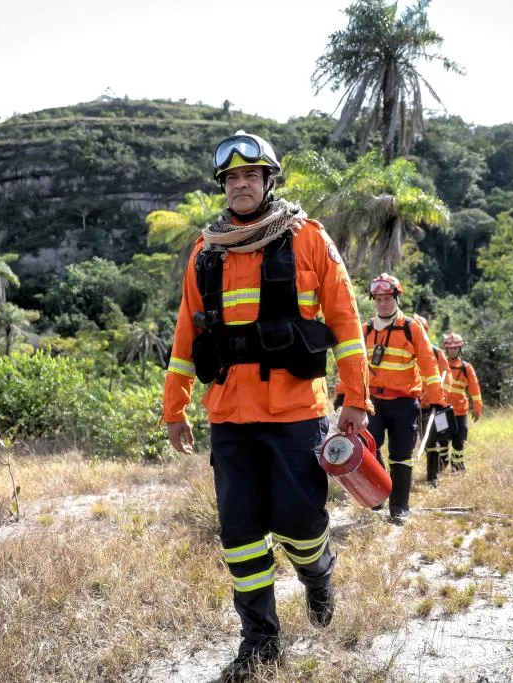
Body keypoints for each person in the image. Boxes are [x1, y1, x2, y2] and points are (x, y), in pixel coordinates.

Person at [162, 131, 371, 682]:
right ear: (223, 187)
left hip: (296, 412)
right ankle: (260, 640)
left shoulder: (308, 239)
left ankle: (318, 572)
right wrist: (173, 406)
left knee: (301, 522)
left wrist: (356, 398)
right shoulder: (206, 253)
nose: (241, 185)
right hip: (229, 417)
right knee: (240, 533)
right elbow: (187, 334)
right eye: (231, 178)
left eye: (251, 176)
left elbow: (347, 325)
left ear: (268, 181)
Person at [359, 273, 440, 524]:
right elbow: (354, 366)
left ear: (396, 297)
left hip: (404, 402)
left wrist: (436, 396)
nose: (382, 303)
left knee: (401, 455)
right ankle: (380, 490)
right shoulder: (366, 330)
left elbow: (429, 363)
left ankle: (399, 507)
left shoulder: (411, 328)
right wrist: (344, 394)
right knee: (368, 450)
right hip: (373, 402)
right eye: (378, 298)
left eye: (387, 298)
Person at [412, 316, 452, 486]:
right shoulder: (405, 349)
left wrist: (438, 397)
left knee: (435, 440)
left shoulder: (437, 353)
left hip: (433, 406)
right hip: (414, 404)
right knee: (425, 441)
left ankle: (433, 478)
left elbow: (447, 377)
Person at [437, 332, 483, 473]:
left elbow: (474, 388)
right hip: (442, 410)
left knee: (459, 442)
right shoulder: (439, 365)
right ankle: (440, 465)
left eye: (455, 348)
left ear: (460, 349)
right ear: (446, 349)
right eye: (450, 348)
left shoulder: (466, 367)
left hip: (460, 411)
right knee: (442, 441)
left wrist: (477, 407)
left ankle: (458, 469)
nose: (453, 351)